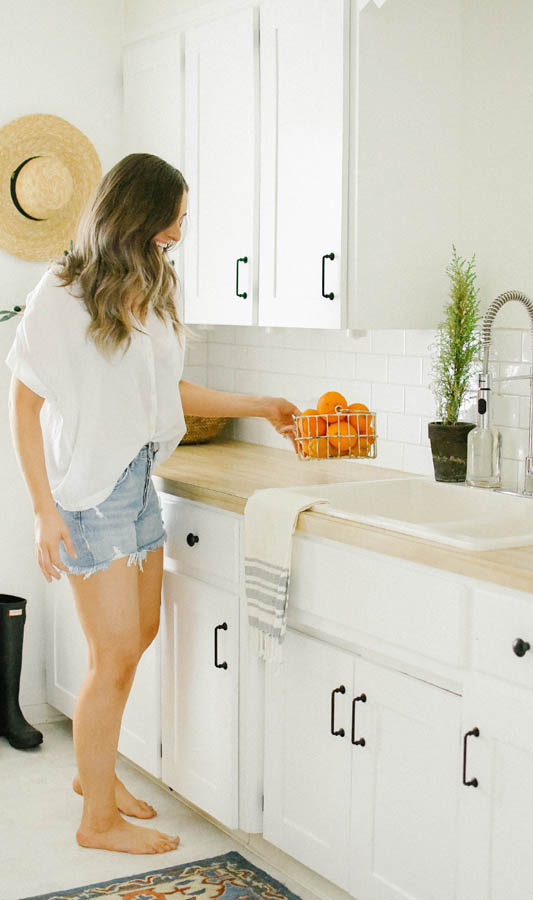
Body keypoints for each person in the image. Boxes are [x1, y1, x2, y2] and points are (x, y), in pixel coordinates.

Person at [6, 153, 300, 855]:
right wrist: (44, 510)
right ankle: (97, 820)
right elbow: (22, 404)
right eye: (172, 222)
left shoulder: (155, 285)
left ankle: (93, 777)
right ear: (137, 214)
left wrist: (259, 406)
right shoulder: (63, 291)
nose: (178, 234)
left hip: (138, 481)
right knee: (112, 656)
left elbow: (166, 395)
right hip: (90, 492)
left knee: (135, 643)